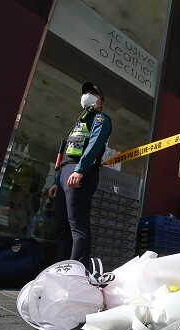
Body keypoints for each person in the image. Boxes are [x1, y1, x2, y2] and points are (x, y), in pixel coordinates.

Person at [48, 82, 112, 268]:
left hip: (80, 172)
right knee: (63, 228)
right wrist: (55, 180)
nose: (87, 95)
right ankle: (58, 271)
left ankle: (75, 275)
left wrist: (80, 170)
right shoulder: (80, 122)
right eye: (86, 93)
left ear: (101, 102)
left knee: (78, 227)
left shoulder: (101, 119)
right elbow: (67, 151)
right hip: (65, 173)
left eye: (93, 93)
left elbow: (95, 145)